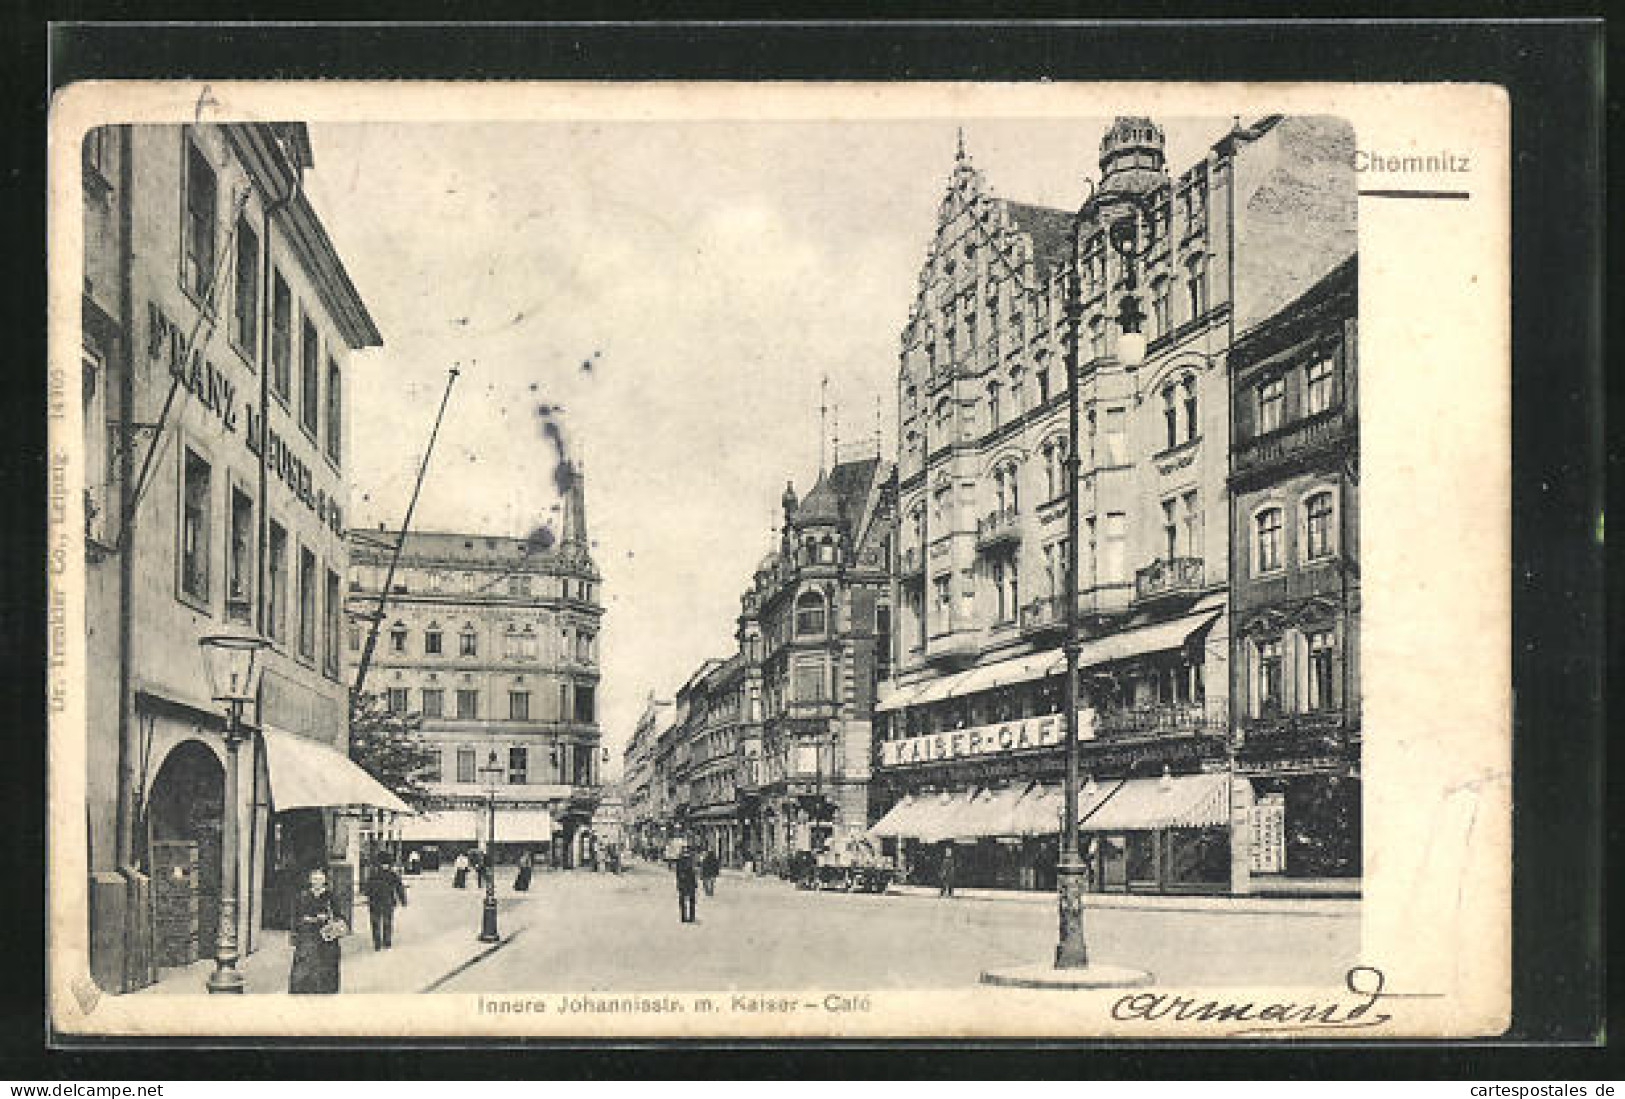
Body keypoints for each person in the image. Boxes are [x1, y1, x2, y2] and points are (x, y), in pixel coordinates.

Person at [288, 867, 343, 994]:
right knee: (304, 966)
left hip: (326, 936)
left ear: (324, 880)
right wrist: (302, 923)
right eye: (314, 879)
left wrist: (328, 917)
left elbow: (339, 915)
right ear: (310, 880)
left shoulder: (330, 896)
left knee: (326, 966)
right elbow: (295, 915)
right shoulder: (303, 895)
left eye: (320, 878)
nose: (317, 881)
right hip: (308, 935)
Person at [361, 856, 408, 951]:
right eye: (383, 864)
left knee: (380, 922)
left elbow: (367, 888)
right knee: (382, 922)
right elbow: (399, 887)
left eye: (386, 864)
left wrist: (403, 899)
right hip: (384, 901)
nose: (384, 866)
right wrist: (403, 900)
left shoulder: (374, 874)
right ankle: (383, 942)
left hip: (379, 901)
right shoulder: (391, 874)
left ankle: (381, 942)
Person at [674, 849, 698, 923]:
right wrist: (695, 884)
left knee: (683, 901)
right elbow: (694, 873)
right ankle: (691, 917)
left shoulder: (679, 861)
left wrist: (678, 883)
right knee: (691, 901)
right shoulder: (691, 861)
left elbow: (677, 874)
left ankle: (683, 917)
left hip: (683, 883)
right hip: (690, 883)